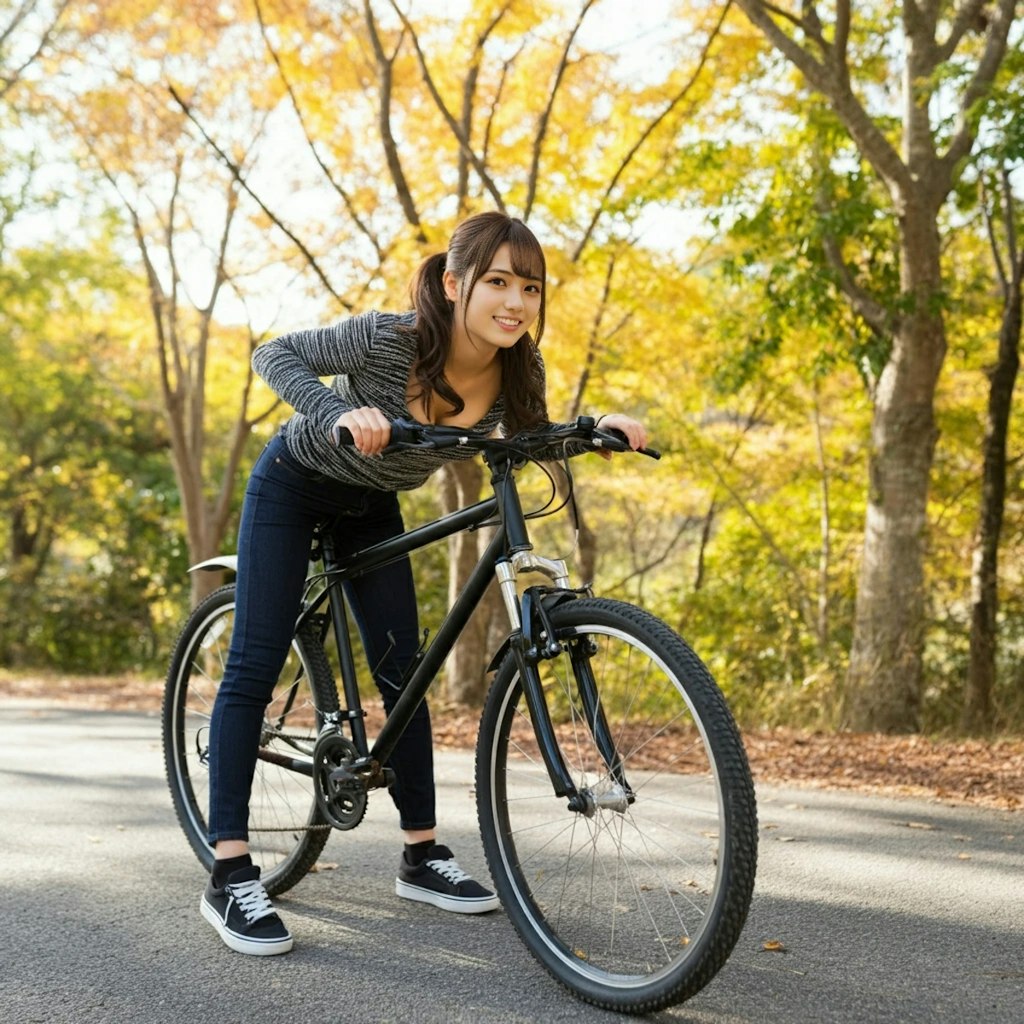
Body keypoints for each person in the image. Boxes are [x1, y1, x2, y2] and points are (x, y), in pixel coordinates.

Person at [199, 211, 648, 956]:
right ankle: (230, 873)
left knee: (403, 671)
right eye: (497, 281)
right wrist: (343, 411)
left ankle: (421, 854)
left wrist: (594, 428)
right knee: (252, 663)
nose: (515, 301)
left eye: (529, 287)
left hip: (371, 507)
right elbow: (274, 354)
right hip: (294, 485)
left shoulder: (518, 367)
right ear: (453, 284)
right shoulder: (389, 337)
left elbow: (527, 435)